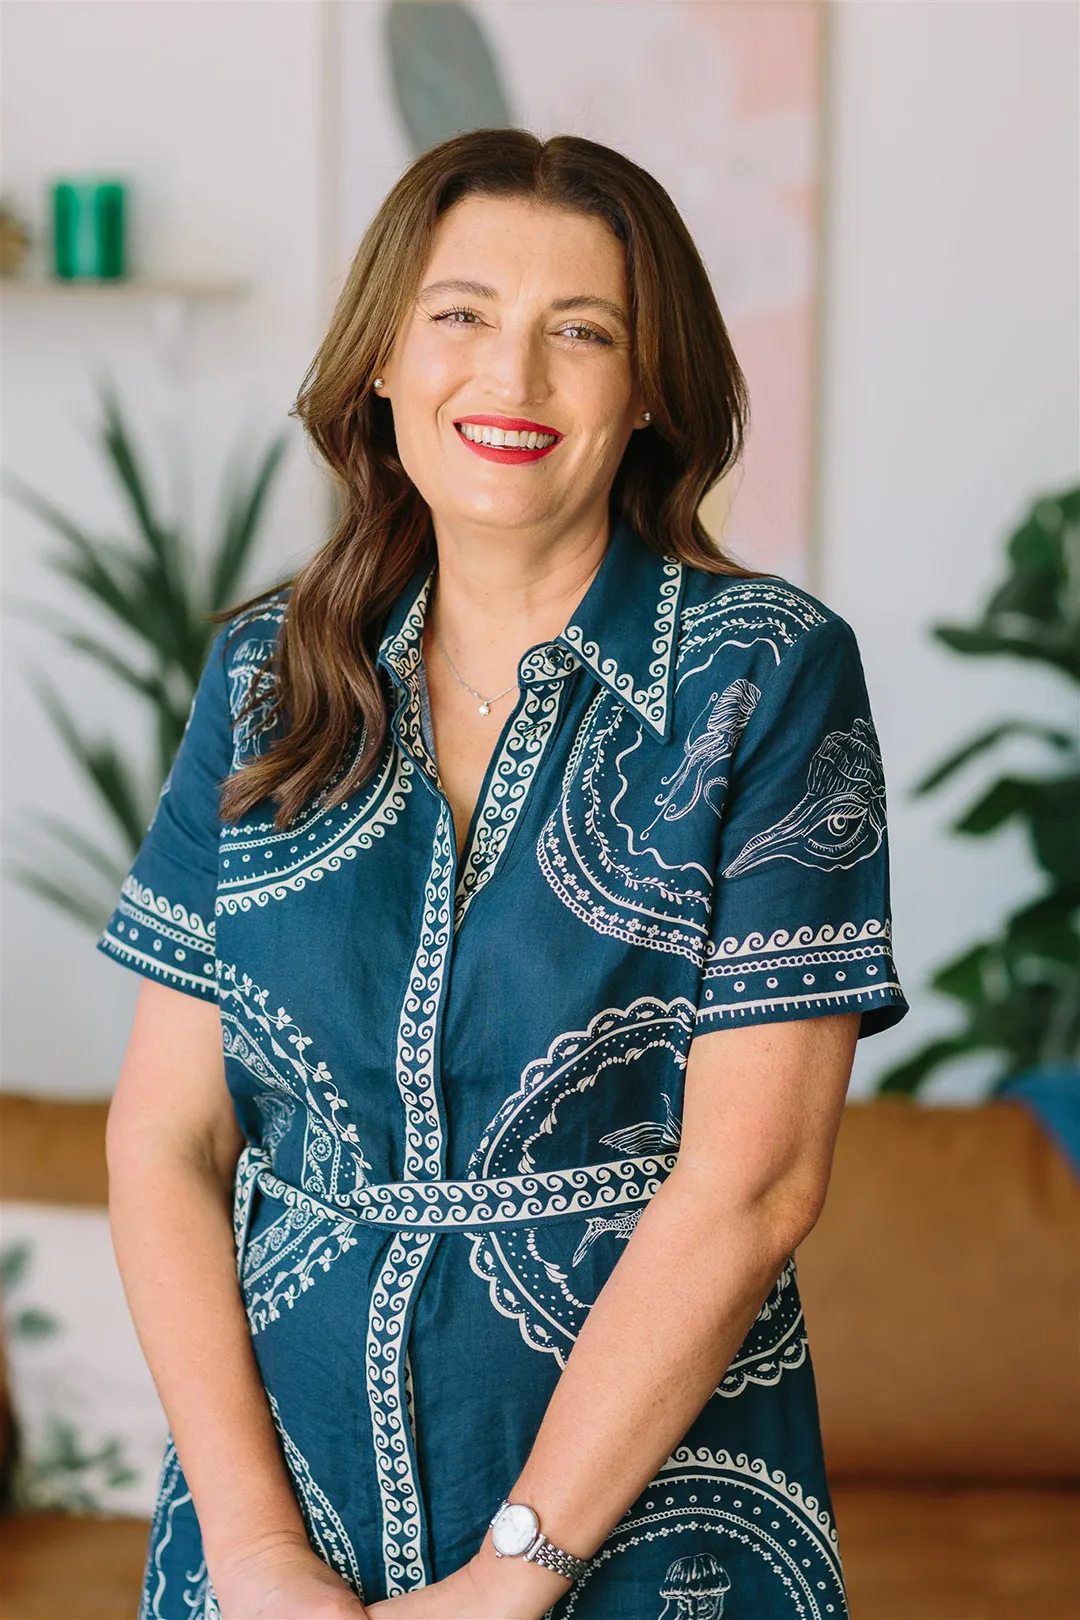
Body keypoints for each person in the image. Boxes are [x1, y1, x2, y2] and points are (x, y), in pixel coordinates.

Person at [99, 129, 908, 1620]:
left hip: (650, 1528)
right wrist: (257, 1550)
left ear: (649, 385)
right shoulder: (263, 681)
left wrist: (513, 1574)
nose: (511, 379)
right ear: (384, 362)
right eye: (460, 315)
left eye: (581, 332)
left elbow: (756, 1181)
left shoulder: (767, 676)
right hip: (279, 1524)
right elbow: (164, 1140)